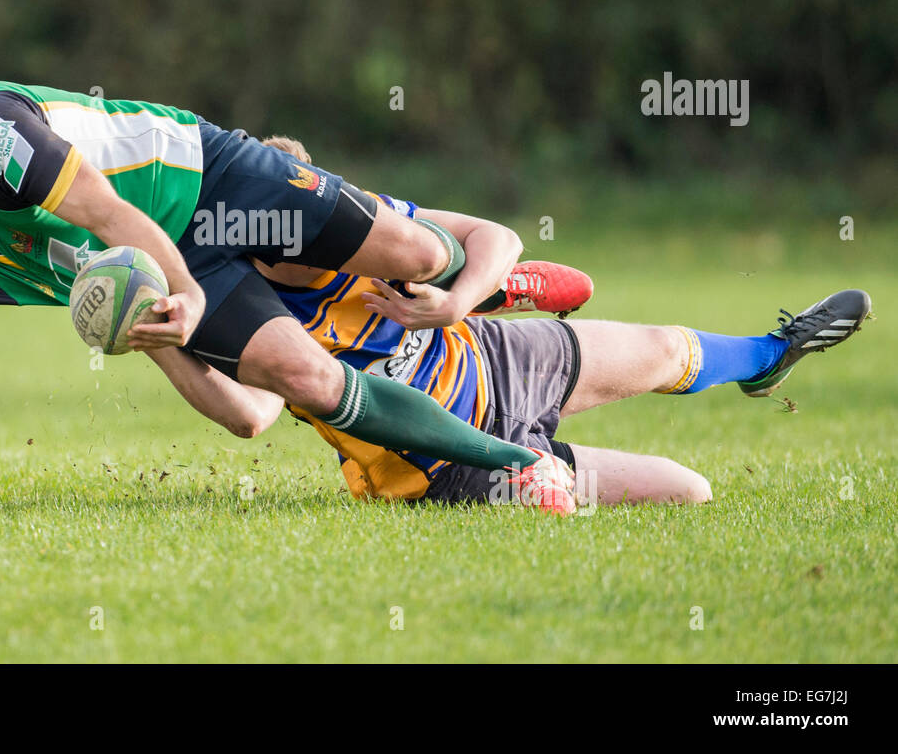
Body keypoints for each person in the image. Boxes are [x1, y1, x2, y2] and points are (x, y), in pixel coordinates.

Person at [0, 82, 577, 512]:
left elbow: (110, 214)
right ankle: (518, 465)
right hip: (168, 267)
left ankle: (487, 277)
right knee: (306, 382)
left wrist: (187, 290)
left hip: (208, 177)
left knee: (405, 250)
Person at [145, 134, 873, 510]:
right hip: (446, 467)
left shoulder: (359, 223)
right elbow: (249, 415)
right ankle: (531, 456)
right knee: (691, 489)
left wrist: (457, 300)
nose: (328, 239)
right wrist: (156, 345)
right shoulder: (250, 308)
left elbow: (499, 233)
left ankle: (771, 353)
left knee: (660, 347)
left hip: (495, 353)